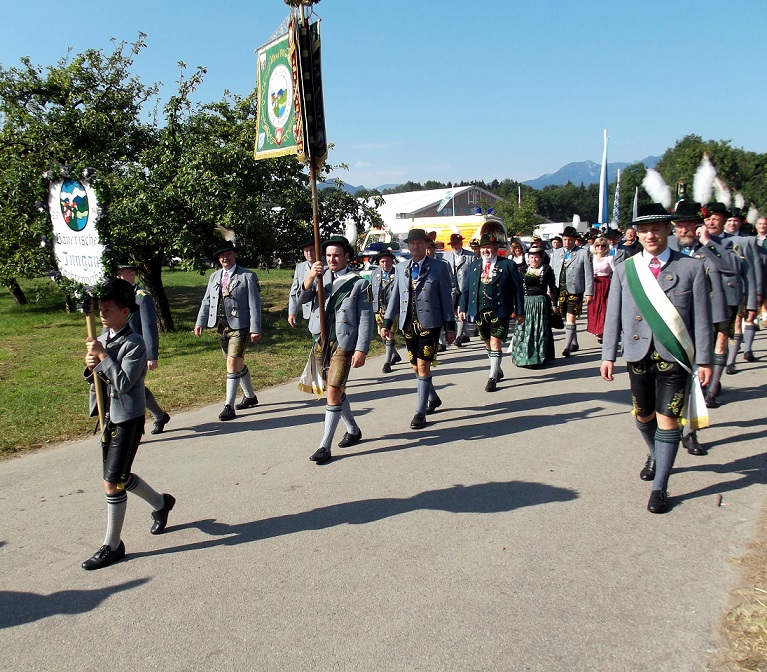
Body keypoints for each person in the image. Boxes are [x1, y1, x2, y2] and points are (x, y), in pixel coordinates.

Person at [601, 203, 712, 514]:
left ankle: (660, 487)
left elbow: (702, 318)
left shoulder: (690, 268)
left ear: (667, 230)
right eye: (644, 230)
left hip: (674, 357)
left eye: (656, 229)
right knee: (643, 417)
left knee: (668, 419)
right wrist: (608, 355)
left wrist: (705, 359)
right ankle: (656, 453)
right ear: (637, 234)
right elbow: (613, 316)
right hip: (637, 356)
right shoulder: (626, 269)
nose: (650, 235)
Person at [82, 278, 175, 570]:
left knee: (113, 481)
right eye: (100, 309)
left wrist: (102, 356)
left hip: (127, 418)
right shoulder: (104, 338)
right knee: (117, 476)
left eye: (108, 310)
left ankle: (112, 545)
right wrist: (90, 366)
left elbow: (123, 383)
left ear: (125, 311)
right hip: (108, 417)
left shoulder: (134, 343)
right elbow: (97, 378)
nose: (102, 314)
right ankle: (160, 503)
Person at [299, 235, 373, 464]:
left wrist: (361, 349)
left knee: (332, 390)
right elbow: (302, 299)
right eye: (328, 255)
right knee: (335, 389)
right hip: (321, 341)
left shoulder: (359, 283)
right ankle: (353, 429)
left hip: (344, 343)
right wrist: (310, 277)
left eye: (336, 255)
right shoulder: (320, 277)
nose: (332, 259)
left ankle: (324, 446)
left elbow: (366, 318)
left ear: (347, 256)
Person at [382, 229, 456, 429]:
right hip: (408, 324)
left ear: (426, 245)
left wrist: (450, 326)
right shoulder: (401, 268)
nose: (415, 246)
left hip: (430, 323)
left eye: (419, 243)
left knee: (423, 366)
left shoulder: (439, 267)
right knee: (415, 366)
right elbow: (395, 297)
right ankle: (433, 398)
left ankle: (420, 413)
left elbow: (446, 298)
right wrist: (387, 323)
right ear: (408, 246)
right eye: (412, 243)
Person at [669, 200, 739, 412]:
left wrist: (707, 242)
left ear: (699, 225)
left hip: (707, 313)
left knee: (704, 359)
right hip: (676, 312)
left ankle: (709, 394)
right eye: (680, 225)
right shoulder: (669, 246)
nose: (684, 230)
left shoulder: (718, 245)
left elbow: (733, 268)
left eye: (689, 225)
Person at [194, 240, 262, 421]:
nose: (225, 257)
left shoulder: (247, 276)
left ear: (235, 255)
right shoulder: (214, 277)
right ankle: (250, 396)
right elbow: (207, 300)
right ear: (218, 258)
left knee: (232, 364)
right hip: (221, 326)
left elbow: (255, 304)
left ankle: (229, 406)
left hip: (240, 325)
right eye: (222, 255)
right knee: (236, 363)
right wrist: (200, 322)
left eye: (228, 254)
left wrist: (255, 329)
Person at [459, 232, 525, 391]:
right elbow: (466, 288)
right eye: (483, 248)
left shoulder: (507, 265)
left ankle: (492, 378)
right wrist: (463, 307)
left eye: (488, 247)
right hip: (480, 310)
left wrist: (520, 311)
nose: (485, 251)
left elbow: (518, 289)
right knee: (487, 342)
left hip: (500, 310)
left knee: (495, 343)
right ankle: (497, 369)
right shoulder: (475, 265)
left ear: (496, 248)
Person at [115, 262, 171, 435]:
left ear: (132, 274)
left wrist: (151, 355)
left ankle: (135, 424)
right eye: (117, 274)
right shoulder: (116, 297)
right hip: (118, 350)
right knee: (127, 386)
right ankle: (159, 415)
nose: (118, 277)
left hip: (137, 351)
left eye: (122, 273)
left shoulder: (141, 297)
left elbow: (149, 327)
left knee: (131, 386)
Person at [722, 207, 762, 365]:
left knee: (738, 323)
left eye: (735, 221)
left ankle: (733, 360)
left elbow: (754, 268)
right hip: (720, 291)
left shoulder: (748, 240)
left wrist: (758, 291)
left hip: (740, 290)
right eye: (729, 220)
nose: (732, 223)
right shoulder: (713, 240)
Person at [550, 225, 593, 357]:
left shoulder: (583, 253)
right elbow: (550, 272)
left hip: (575, 290)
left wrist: (589, 292)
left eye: (569, 240)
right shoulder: (556, 253)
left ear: (575, 240)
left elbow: (588, 274)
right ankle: (574, 342)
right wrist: (549, 289)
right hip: (560, 289)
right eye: (565, 239)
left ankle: (567, 347)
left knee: (571, 316)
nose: (567, 242)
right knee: (565, 317)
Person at [511, 245, 557, 367]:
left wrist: (554, 304)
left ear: (541, 258)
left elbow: (553, 288)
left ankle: (538, 357)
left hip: (541, 303)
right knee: (525, 330)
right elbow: (516, 288)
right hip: (526, 303)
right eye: (531, 257)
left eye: (536, 257)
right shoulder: (522, 270)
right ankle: (524, 356)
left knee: (539, 330)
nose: (534, 260)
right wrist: (515, 304)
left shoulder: (547, 270)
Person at [369, 246, 402, 373]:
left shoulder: (397, 273)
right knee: (382, 335)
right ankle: (395, 354)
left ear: (392, 261)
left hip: (393, 309)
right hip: (379, 308)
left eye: (387, 261)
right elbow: (371, 290)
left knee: (389, 333)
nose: (385, 264)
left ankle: (387, 363)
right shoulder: (375, 273)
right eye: (382, 261)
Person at [441, 233, 474, 346]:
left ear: (461, 243)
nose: (455, 246)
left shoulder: (470, 256)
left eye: (457, 243)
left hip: (464, 288)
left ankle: (458, 337)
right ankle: (462, 333)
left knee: (461, 312)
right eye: (453, 244)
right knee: (454, 313)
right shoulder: (445, 257)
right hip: (451, 289)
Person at [586, 236, 614, 344]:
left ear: (606, 247)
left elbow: (615, 272)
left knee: (604, 308)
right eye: (598, 245)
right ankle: (596, 329)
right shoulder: (591, 258)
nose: (600, 248)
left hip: (605, 284)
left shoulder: (609, 258)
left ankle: (602, 331)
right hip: (594, 284)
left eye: (603, 246)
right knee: (594, 308)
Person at [287, 236, 317, 329]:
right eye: (306, 251)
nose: (309, 253)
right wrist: (292, 312)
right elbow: (294, 292)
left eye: (312, 250)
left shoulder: (327, 266)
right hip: (308, 311)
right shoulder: (300, 267)